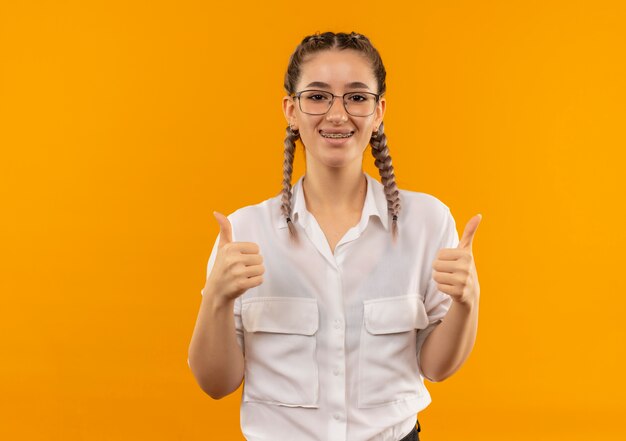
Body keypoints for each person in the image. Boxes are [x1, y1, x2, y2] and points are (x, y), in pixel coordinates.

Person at [188, 31, 482, 441]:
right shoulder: (244, 232)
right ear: (291, 109)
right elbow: (215, 384)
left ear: (379, 111)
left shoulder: (428, 222)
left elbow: (436, 368)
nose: (338, 115)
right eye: (318, 96)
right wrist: (216, 300)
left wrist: (466, 303)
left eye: (357, 97)